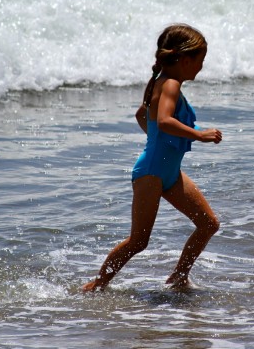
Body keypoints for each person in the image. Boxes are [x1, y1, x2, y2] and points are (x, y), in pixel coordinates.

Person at [82, 24, 223, 292]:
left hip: (168, 171)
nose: (202, 67)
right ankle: (96, 287)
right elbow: (164, 119)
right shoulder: (169, 84)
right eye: (200, 61)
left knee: (208, 224)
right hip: (152, 173)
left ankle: (179, 278)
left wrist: (158, 139)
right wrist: (199, 134)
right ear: (184, 59)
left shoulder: (164, 84)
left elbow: (141, 115)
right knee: (139, 241)